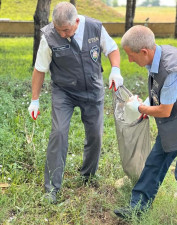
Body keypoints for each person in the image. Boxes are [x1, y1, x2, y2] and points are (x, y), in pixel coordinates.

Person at [28, 2, 123, 203]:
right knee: (59, 132)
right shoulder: (49, 36)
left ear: (77, 22)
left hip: (92, 89)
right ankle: (52, 188)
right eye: (58, 29)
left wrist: (115, 69)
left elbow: (112, 50)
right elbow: (39, 69)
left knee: (95, 134)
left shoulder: (95, 28)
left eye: (66, 30)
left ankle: (88, 176)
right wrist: (34, 100)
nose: (61, 34)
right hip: (64, 91)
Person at [114, 25, 177, 225]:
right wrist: (145, 102)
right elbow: (160, 92)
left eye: (130, 56)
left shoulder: (171, 67)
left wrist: (140, 107)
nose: (129, 60)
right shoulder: (156, 58)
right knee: (155, 162)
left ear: (144, 52)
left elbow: (164, 110)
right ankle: (137, 207)